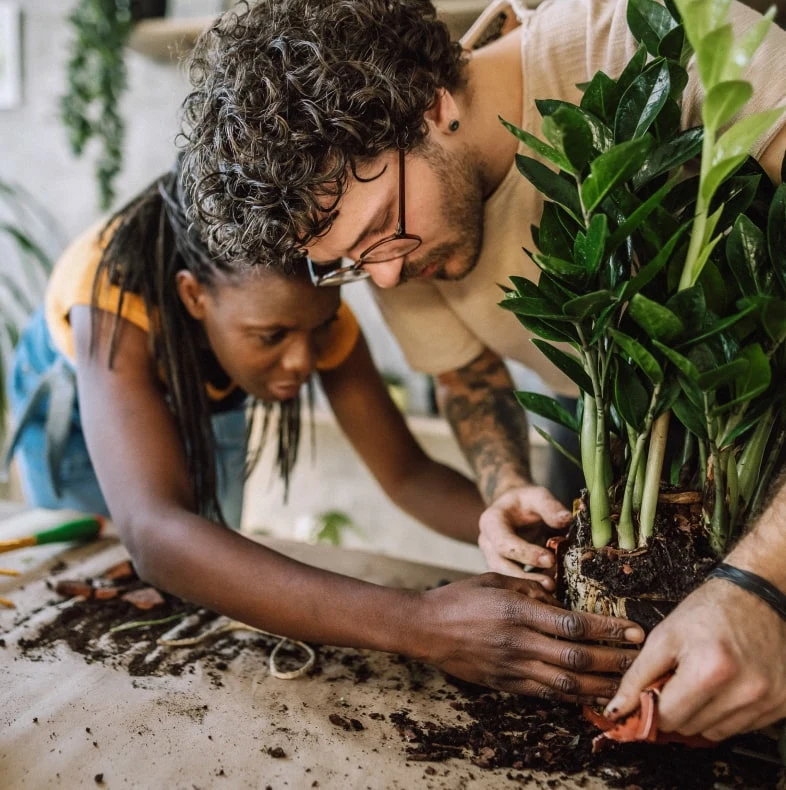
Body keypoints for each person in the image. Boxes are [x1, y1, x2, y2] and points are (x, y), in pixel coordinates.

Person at [177, 0, 786, 740]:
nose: (389, 279)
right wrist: (506, 492)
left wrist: (762, 580)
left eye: (378, 234)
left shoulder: (644, 40)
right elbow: (467, 377)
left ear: (431, 106)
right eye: (350, 266)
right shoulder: (393, 248)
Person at [5, 164, 645, 701]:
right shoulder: (110, 297)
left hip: (205, 379)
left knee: (201, 581)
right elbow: (157, 536)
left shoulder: (303, 314)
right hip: (78, 394)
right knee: (91, 588)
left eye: (318, 329)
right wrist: (420, 622)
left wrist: (532, 538)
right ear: (194, 296)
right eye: (272, 337)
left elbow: (407, 474)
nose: (303, 363)